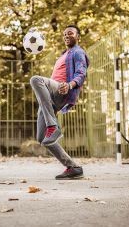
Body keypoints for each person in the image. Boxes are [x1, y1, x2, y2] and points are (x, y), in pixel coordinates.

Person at [30, 25, 90, 180]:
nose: (66, 36)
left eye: (70, 33)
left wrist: (70, 85)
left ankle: (53, 125)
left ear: (78, 37)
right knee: (42, 138)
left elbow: (81, 73)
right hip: (52, 94)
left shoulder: (78, 52)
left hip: (62, 89)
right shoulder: (64, 54)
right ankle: (73, 167)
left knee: (35, 79)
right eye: (64, 34)